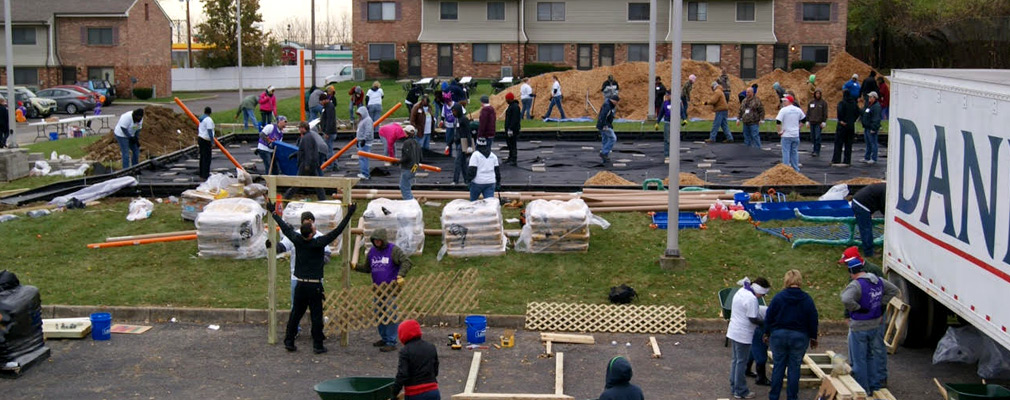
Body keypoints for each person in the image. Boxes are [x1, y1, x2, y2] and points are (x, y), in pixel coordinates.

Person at [269, 200, 356, 354]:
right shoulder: (319, 243)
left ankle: (289, 341)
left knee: (295, 314)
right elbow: (337, 231)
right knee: (317, 316)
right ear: (310, 234)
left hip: (301, 284)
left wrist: (273, 212)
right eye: (314, 229)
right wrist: (349, 214)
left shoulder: (297, 240)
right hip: (314, 285)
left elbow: (284, 227)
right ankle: (318, 345)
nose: (316, 229)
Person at [841, 248, 899, 394]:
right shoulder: (877, 280)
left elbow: (845, 298)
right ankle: (875, 385)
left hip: (859, 326)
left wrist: (857, 308)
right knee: (872, 356)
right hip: (874, 324)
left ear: (852, 271)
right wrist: (879, 304)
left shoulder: (856, 284)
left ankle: (862, 390)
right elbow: (894, 290)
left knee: (859, 359)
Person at [353, 228, 413, 352]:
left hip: (391, 290)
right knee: (379, 315)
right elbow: (367, 268)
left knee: (390, 315)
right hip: (378, 290)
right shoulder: (372, 252)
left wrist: (401, 275)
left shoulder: (393, 250)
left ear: (383, 240)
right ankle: (384, 338)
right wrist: (355, 267)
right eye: (375, 240)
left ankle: (391, 341)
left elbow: (406, 262)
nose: (377, 242)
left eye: (379, 240)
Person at [764, 269, 819, 400]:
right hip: (799, 336)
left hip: (779, 335)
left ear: (786, 281)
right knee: (794, 368)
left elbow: (769, 316)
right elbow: (813, 319)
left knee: (779, 366)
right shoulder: (806, 299)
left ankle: (774, 396)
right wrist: (813, 337)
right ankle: (792, 397)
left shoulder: (779, 297)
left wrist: (766, 332)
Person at [727, 277, 770, 399]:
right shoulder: (751, 299)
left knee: (736, 360)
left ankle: (734, 386)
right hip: (743, 334)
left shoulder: (741, 291)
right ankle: (741, 391)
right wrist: (764, 323)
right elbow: (753, 318)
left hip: (734, 331)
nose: (762, 297)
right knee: (741, 362)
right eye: (762, 294)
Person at [277, 211, 332, 306]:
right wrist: (273, 244)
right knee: (296, 307)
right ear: (302, 223)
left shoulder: (319, 236)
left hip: (315, 279)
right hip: (297, 278)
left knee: (316, 307)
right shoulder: (296, 235)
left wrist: (316, 262)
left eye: (311, 223)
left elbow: (327, 254)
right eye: (307, 223)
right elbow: (281, 247)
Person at [391, 319, 440, 400]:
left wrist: (394, 393)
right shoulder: (431, 347)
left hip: (415, 393)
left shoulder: (405, 351)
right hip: (433, 391)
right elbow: (435, 370)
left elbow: (403, 374)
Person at [284, 121, 328, 200]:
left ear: (303, 128)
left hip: (306, 164)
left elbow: (308, 152)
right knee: (317, 183)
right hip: (311, 164)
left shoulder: (306, 138)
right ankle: (322, 198)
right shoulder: (309, 136)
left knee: (298, 182)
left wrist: (307, 165)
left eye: (300, 128)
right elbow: (305, 150)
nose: (299, 130)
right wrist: (295, 154)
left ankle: (287, 197)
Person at [851, 183, 885, 257]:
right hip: (861, 205)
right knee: (866, 228)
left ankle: (869, 249)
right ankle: (869, 252)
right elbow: (884, 207)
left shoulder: (884, 187)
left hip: (860, 201)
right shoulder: (886, 191)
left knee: (866, 228)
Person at [776, 95, 806, 172]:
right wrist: (799, 127)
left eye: (784, 101)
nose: (783, 102)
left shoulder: (783, 110)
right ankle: (796, 169)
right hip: (795, 134)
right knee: (794, 152)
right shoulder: (798, 110)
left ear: (788, 101)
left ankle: (786, 169)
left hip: (786, 135)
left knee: (786, 152)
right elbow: (804, 119)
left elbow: (778, 121)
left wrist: (779, 131)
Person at [833, 91, 860, 166]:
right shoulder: (854, 104)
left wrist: (841, 120)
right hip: (851, 126)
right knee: (848, 144)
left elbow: (840, 112)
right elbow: (858, 112)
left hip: (842, 125)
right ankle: (847, 160)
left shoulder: (842, 103)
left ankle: (836, 159)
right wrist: (852, 120)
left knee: (839, 143)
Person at [397, 125, 422, 200]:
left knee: (404, 186)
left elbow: (407, 157)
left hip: (408, 167)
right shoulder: (417, 143)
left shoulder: (407, 143)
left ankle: (409, 202)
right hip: (415, 167)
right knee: (408, 184)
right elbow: (421, 157)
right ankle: (410, 200)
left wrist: (398, 161)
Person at [451, 101, 473, 185]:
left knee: (458, 161)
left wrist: (470, 145)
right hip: (457, 142)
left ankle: (455, 180)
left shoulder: (464, 119)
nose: (453, 113)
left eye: (454, 111)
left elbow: (468, 132)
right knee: (463, 162)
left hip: (462, 142)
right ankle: (466, 180)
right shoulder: (457, 119)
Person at [860, 92, 883, 165]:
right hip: (867, 127)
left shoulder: (876, 107)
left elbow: (876, 118)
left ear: (874, 98)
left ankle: (874, 158)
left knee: (873, 143)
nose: (869, 98)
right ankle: (867, 157)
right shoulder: (869, 105)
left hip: (871, 128)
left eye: (870, 97)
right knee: (868, 143)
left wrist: (874, 128)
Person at [596, 94, 619, 163]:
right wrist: (605, 125)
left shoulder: (608, 105)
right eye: (617, 102)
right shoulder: (607, 106)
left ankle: (604, 158)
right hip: (604, 125)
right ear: (614, 101)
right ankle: (604, 153)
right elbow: (603, 116)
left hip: (602, 125)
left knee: (605, 140)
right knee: (613, 138)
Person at [805, 88, 828, 157]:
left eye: (819, 93)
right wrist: (807, 120)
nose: (817, 95)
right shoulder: (811, 102)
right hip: (812, 122)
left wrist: (824, 121)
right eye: (816, 93)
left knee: (817, 136)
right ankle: (814, 150)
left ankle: (817, 151)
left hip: (819, 122)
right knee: (813, 137)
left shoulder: (823, 103)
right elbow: (808, 112)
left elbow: (825, 113)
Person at [320, 93, 339, 171]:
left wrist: (327, 132)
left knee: (328, 150)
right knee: (330, 149)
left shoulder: (329, 107)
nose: (320, 103)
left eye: (321, 101)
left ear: (324, 100)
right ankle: (335, 164)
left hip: (330, 132)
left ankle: (330, 165)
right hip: (330, 131)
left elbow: (330, 120)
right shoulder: (328, 106)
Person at [355, 106, 374, 180]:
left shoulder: (367, 120)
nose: (359, 116)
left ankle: (365, 174)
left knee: (363, 158)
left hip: (365, 142)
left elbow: (368, 131)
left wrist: (364, 140)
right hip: (361, 141)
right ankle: (364, 172)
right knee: (362, 158)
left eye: (360, 114)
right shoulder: (363, 120)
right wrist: (358, 140)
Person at [196, 107, 215, 180]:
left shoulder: (201, 119)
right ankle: (205, 175)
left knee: (202, 157)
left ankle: (202, 174)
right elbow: (209, 130)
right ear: (210, 112)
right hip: (206, 140)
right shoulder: (208, 120)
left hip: (200, 138)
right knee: (207, 158)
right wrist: (212, 141)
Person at [503, 92, 521, 166]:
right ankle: (510, 157)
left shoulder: (515, 107)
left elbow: (514, 119)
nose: (506, 100)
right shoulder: (511, 106)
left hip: (513, 129)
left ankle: (514, 158)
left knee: (513, 144)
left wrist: (510, 128)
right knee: (509, 144)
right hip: (510, 129)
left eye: (507, 99)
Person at [658, 92, 672, 158]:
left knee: (674, 139)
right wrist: (657, 122)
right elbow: (661, 113)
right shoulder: (665, 103)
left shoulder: (677, 103)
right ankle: (667, 154)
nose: (668, 96)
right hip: (667, 122)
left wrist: (684, 119)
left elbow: (681, 111)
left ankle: (673, 154)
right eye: (667, 95)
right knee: (667, 139)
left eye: (669, 95)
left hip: (674, 124)